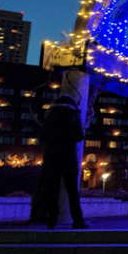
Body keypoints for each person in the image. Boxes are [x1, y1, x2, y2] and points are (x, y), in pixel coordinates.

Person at [41, 94, 88, 229]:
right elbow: (80, 135)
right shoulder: (73, 115)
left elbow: (43, 136)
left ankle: (51, 220)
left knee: (52, 190)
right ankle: (78, 220)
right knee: (72, 191)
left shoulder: (50, 116)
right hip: (69, 158)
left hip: (51, 158)